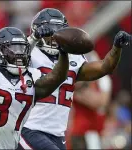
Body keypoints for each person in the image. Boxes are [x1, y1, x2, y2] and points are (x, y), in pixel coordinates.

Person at [18, 8, 132, 150]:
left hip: (57, 133)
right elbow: (15, 59)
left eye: (58, 32)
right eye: (49, 33)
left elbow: (104, 67)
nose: (54, 38)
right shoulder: (30, 55)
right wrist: (32, 38)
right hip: (30, 128)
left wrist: (116, 48)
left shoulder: (73, 58)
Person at [0, 18, 69, 149]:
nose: (19, 53)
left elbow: (58, 77)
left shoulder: (31, 78)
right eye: (13, 49)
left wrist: (63, 51)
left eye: (22, 49)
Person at [65, 51, 112, 150]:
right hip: (77, 132)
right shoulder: (74, 78)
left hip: (94, 132)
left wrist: (79, 93)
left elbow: (101, 102)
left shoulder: (104, 80)